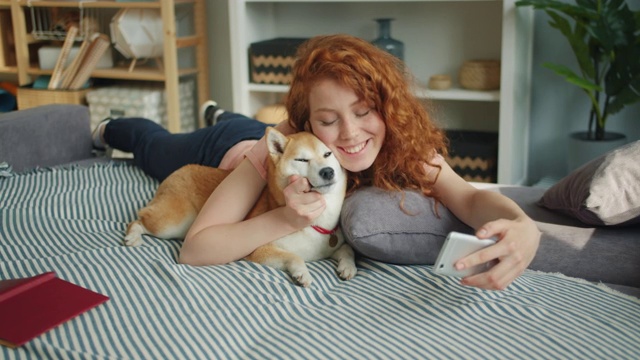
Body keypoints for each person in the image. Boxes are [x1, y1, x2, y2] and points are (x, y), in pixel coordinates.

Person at [93, 34, 541, 291]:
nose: (349, 134)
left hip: (263, 135)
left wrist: (524, 225)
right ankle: (112, 126)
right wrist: (286, 218)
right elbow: (195, 249)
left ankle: (222, 111)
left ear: (386, 108)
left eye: (364, 112)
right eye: (328, 120)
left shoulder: (400, 145)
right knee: (158, 146)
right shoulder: (278, 145)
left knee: (239, 121)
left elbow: (470, 199)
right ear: (304, 121)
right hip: (225, 151)